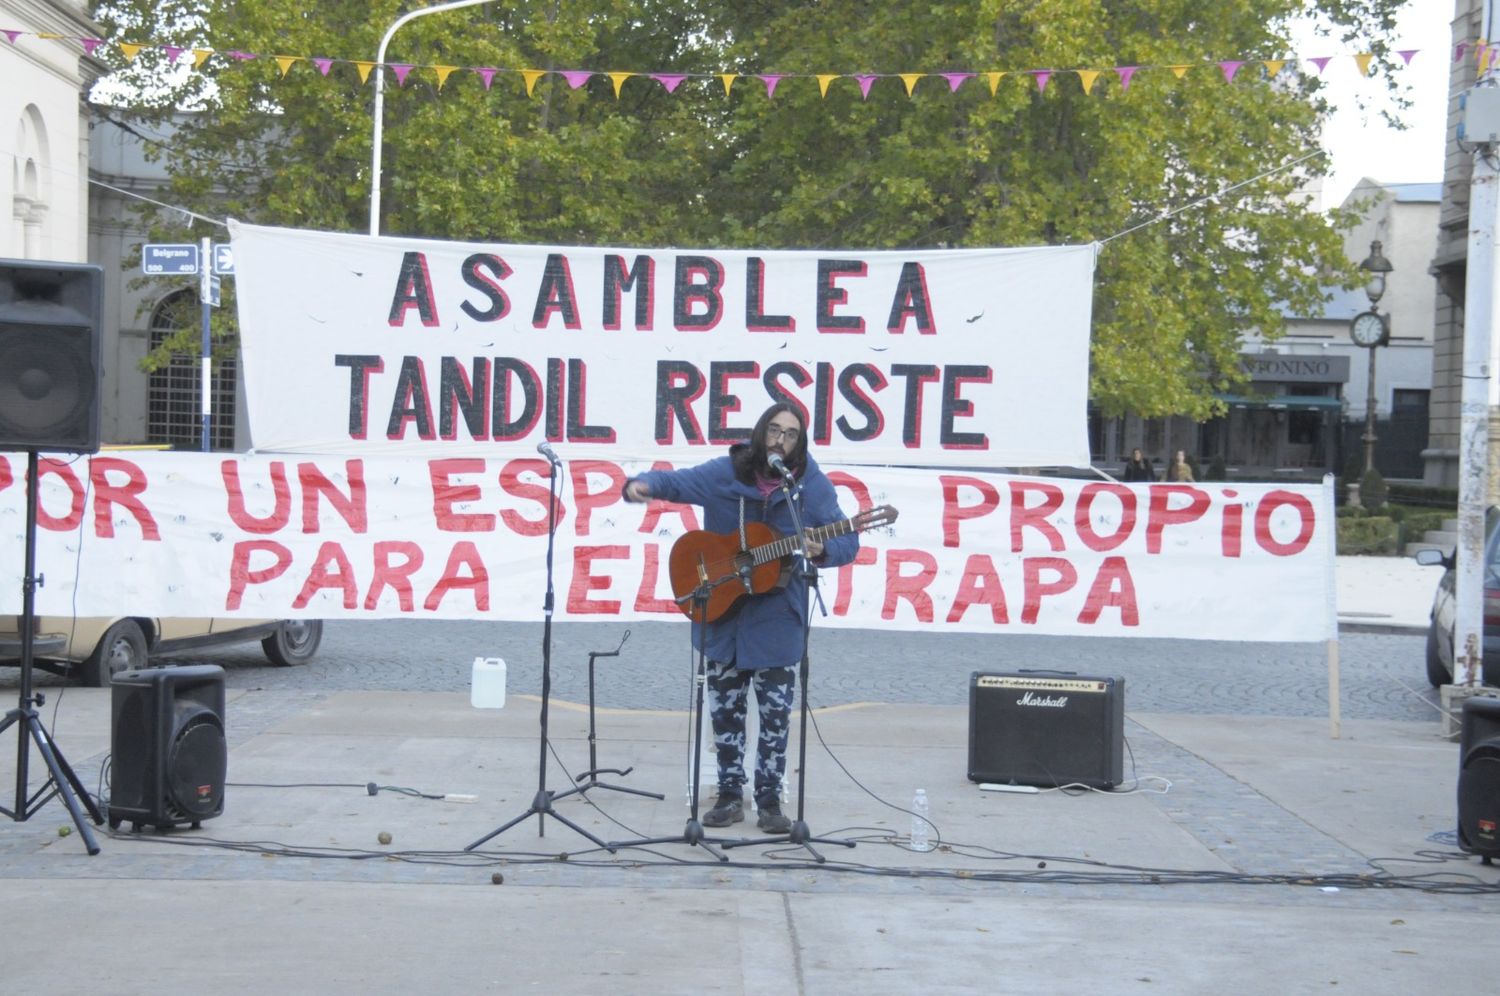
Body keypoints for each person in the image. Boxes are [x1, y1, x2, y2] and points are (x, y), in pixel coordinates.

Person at [622, 403, 860, 833]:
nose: (780, 441)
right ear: (760, 432)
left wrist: (822, 550)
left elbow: (848, 539)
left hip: (778, 617)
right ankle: (730, 794)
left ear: (799, 442)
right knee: (725, 712)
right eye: (774, 430)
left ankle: (769, 800)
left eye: (790, 434)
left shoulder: (808, 485)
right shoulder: (727, 472)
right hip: (724, 612)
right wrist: (642, 485)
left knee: (775, 714)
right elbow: (675, 483)